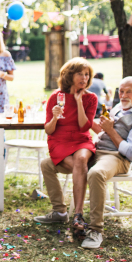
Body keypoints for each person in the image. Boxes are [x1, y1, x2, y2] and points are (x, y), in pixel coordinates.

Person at [35, 77, 132, 249]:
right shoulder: (120, 108)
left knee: (95, 173)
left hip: (115, 157)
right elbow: (103, 129)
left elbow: (129, 152)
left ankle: (95, 229)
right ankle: (60, 211)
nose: (123, 95)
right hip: (96, 152)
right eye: (121, 91)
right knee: (48, 164)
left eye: (129, 92)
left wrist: (110, 131)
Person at [34, 58, 97, 233]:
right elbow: (48, 129)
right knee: (75, 165)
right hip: (60, 141)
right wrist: (54, 117)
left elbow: (85, 126)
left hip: (81, 140)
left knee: (81, 158)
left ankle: (77, 213)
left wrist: (78, 101)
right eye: (80, 74)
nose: (84, 78)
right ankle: (61, 212)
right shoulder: (55, 97)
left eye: (87, 75)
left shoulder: (91, 98)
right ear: (69, 75)